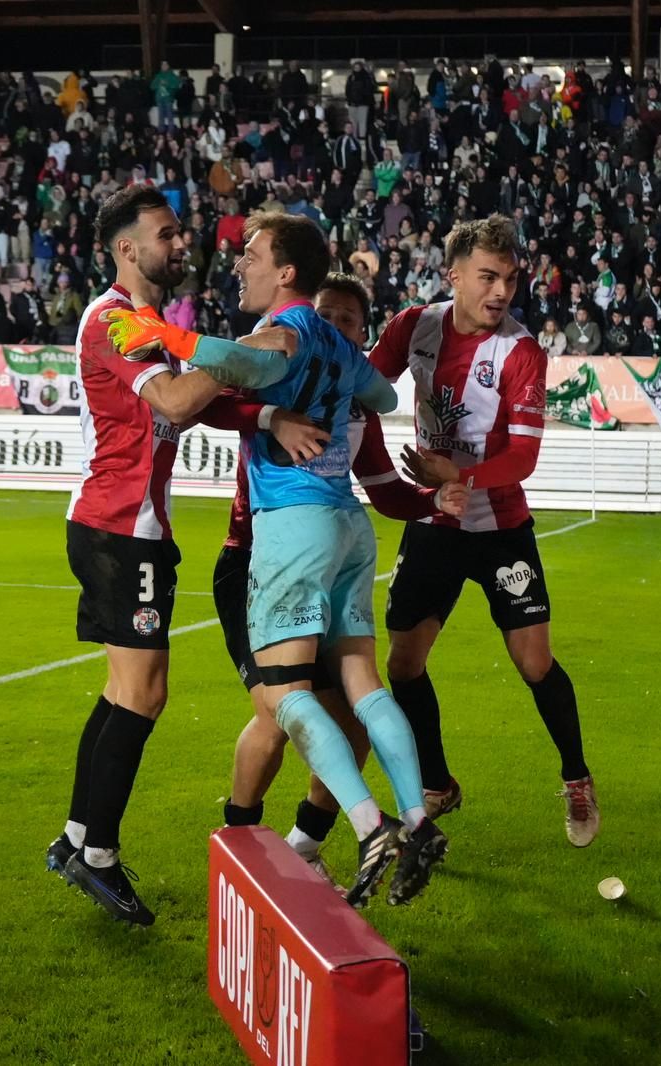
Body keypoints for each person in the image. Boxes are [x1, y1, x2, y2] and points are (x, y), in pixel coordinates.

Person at [103, 212, 451, 907]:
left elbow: (249, 363)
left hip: (293, 527)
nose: (242, 264)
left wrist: (167, 336)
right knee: (362, 684)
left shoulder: (284, 332)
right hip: (350, 529)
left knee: (289, 700)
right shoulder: (336, 344)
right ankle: (417, 819)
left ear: (286, 270)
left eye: (254, 254)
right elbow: (380, 395)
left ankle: (367, 824)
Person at [215, 273, 470, 886]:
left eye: (348, 321)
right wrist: (274, 416)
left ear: (361, 334)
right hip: (254, 557)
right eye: (325, 314)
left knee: (340, 715)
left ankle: (309, 840)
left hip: (304, 549)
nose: (333, 327)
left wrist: (434, 497)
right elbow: (221, 400)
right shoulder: (278, 374)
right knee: (277, 714)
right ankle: (244, 834)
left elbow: (386, 492)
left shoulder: (354, 410)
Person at [370, 214, 600, 847]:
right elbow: (364, 387)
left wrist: (457, 473)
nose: (501, 291)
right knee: (404, 663)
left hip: (500, 526)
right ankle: (439, 784)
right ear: (454, 276)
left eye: (510, 278)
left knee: (534, 662)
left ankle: (576, 777)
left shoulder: (521, 351)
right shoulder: (413, 326)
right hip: (433, 525)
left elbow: (523, 459)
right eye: (488, 277)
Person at [45, 186, 230, 927]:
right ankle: (99, 858)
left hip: (122, 529)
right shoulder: (115, 319)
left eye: (181, 232)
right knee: (145, 693)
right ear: (128, 248)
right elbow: (181, 404)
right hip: (121, 532)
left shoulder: (148, 324)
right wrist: (256, 351)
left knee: (124, 691)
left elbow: (195, 399)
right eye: (167, 234)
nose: (180, 244)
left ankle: (75, 837)